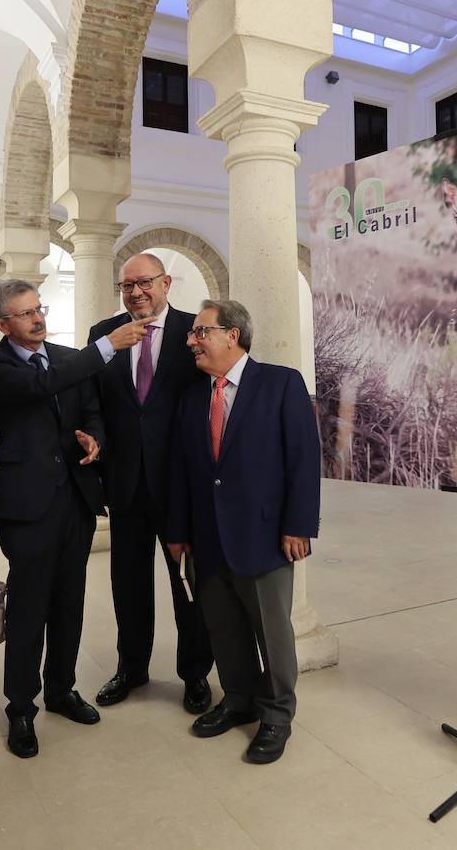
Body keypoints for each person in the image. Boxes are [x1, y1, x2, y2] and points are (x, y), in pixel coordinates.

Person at [0, 279, 152, 758]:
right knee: (29, 607)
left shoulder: (69, 357)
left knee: (70, 601)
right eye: (26, 313)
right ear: (2, 324)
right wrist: (106, 346)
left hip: (76, 497)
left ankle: (61, 689)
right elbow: (38, 386)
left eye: (40, 309)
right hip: (27, 503)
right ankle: (20, 708)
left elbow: (91, 412)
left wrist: (93, 439)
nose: (38, 319)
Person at [167, 300, 320, 765]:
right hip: (206, 536)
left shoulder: (281, 383)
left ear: (232, 335)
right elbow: (180, 470)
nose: (191, 341)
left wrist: (298, 524)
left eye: (200, 332)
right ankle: (238, 700)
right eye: (192, 333)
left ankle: (276, 714)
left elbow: (303, 459)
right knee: (223, 627)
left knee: (271, 630)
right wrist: (178, 531)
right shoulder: (191, 396)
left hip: (264, 534)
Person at [87, 254, 212, 714]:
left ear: (166, 283)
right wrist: (95, 440)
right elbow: (94, 401)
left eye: (144, 283)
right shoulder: (105, 333)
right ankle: (131, 667)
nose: (136, 292)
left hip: (180, 484)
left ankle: (195, 673)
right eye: (127, 285)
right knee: (128, 582)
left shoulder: (193, 330)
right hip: (125, 482)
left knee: (187, 585)